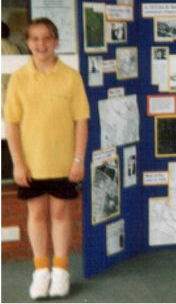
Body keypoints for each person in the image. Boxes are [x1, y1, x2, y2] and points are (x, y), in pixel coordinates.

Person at [4, 17, 90, 299]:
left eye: (47, 38)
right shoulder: (18, 79)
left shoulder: (71, 77)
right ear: (27, 43)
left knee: (60, 214)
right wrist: (18, 162)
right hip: (31, 164)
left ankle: (61, 271)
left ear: (56, 41)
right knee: (37, 214)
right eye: (35, 39)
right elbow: (12, 124)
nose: (41, 44)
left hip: (64, 163)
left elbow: (81, 121)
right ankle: (41, 272)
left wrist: (78, 160)